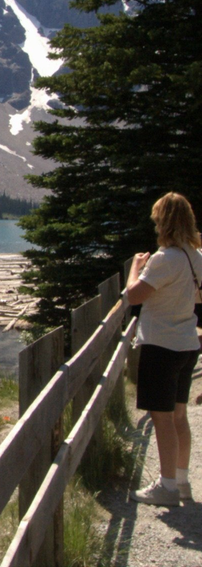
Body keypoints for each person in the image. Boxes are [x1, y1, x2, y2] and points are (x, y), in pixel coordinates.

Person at [126, 192, 202, 506]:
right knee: (179, 415)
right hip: (187, 343)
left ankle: (167, 486)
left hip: (161, 344)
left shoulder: (163, 259)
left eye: (158, 220)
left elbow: (133, 296)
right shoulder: (195, 256)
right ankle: (181, 481)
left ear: (165, 222)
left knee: (162, 418)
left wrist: (135, 266)